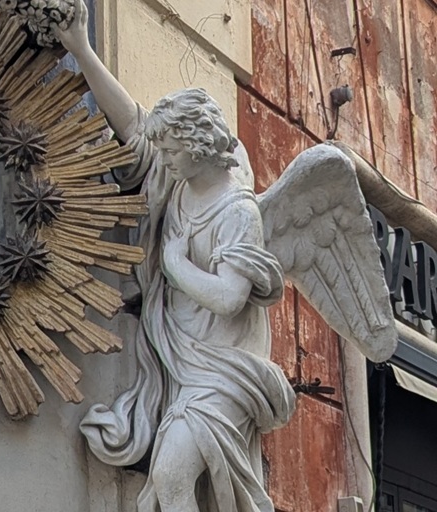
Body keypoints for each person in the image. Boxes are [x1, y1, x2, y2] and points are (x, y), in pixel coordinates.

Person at [55, 4, 296, 511]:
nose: (157, 159)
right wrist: (81, 48)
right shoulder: (179, 183)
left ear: (195, 144)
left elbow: (231, 298)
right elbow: (132, 128)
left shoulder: (238, 211)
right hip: (183, 365)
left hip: (223, 372)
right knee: (166, 490)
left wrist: (175, 266)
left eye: (168, 150)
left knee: (169, 478)